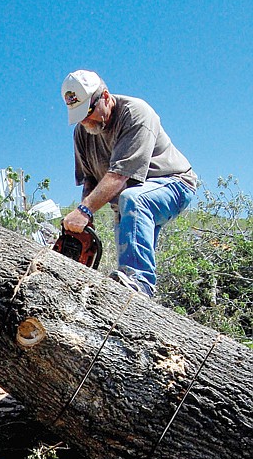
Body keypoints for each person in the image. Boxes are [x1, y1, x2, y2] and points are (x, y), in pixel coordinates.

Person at [61, 70, 197, 296]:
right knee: (125, 264)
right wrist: (86, 219)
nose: (85, 121)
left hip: (174, 184)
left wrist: (84, 210)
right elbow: (90, 180)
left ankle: (141, 284)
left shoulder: (136, 113)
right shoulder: (82, 133)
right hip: (128, 200)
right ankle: (135, 299)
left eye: (88, 112)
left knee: (132, 201)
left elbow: (119, 176)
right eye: (79, 115)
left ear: (104, 96)